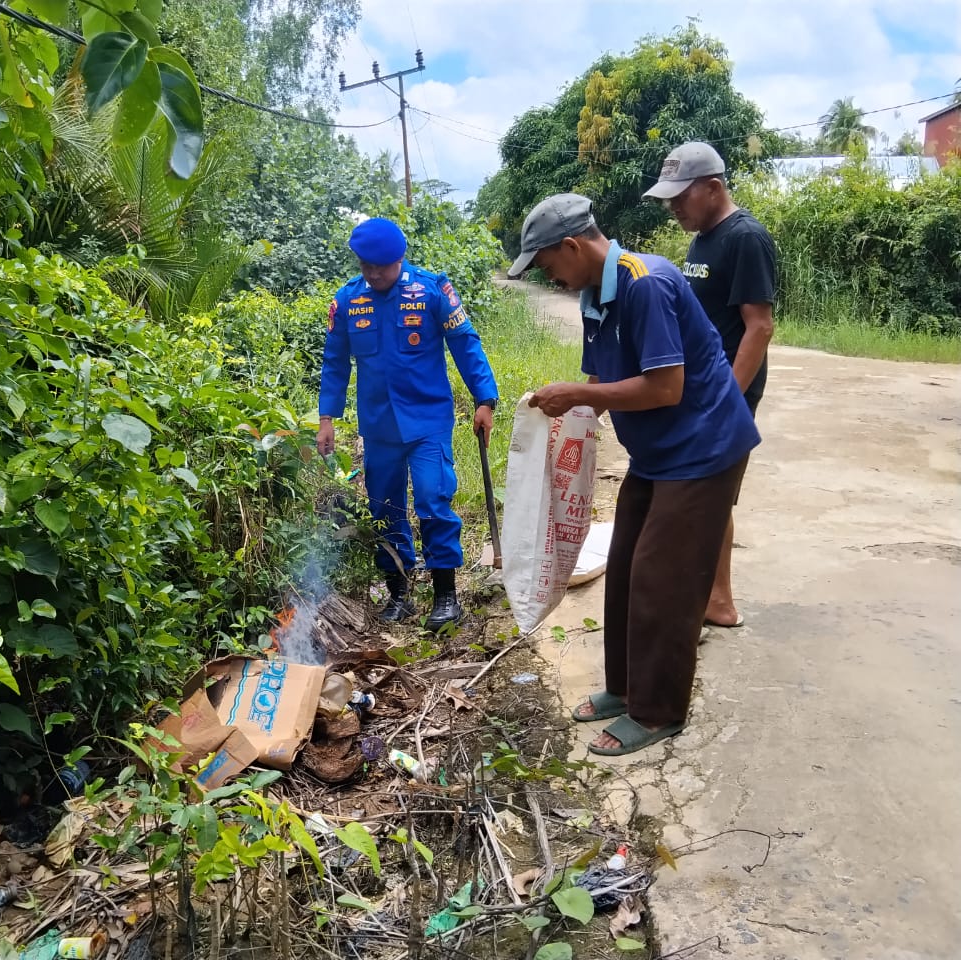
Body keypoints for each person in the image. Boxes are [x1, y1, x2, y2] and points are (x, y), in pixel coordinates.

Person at [506, 194, 759, 756]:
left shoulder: (645, 283)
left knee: (662, 580)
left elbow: (665, 386)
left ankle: (658, 711)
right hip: (658, 455)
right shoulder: (595, 294)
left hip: (703, 449)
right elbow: (601, 377)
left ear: (572, 246)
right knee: (623, 568)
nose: (553, 277)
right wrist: (570, 411)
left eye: (549, 265)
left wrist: (580, 394)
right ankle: (624, 689)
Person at [317, 217, 498, 631]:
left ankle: (445, 595)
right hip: (379, 426)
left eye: (381, 266)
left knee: (433, 499)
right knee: (385, 508)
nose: (374, 274)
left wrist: (484, 398)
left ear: (399, 259)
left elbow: (465, 343)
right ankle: (399, 593)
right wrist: (327, 417)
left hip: (428, 419)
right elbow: (334, 362)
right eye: (366, 266)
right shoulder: (348, 301)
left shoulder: (432, 290)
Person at [643, 141, 778, 630]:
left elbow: (758, 326)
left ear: (713, 187)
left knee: (710, 494)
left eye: (682, 196)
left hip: (726, 394)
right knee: (708, 495)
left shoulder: (745, 238)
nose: (674, 206)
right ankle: (714, 597)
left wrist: (728, 398)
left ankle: (717, 599)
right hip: (703, 390)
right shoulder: (702, 239)